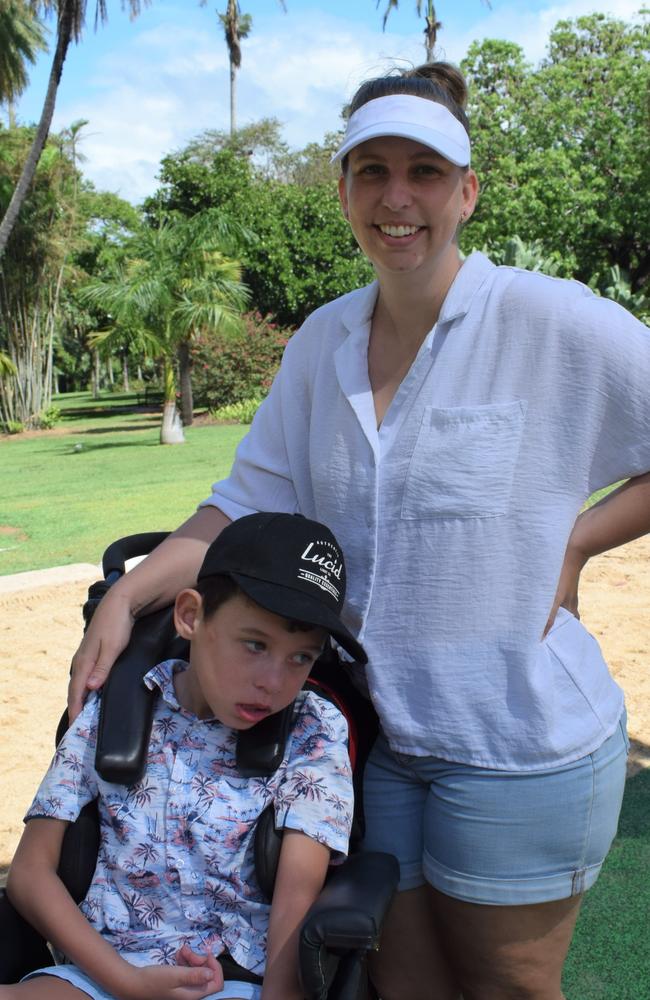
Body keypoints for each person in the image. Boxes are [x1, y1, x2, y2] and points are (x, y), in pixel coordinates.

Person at [66, 63, 650, 1000]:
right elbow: (235, 508)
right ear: (342, 190)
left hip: (517, 744)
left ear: (467, 190)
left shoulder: (546, 320)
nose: (397, 197)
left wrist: (578, 540)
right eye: (370, 171)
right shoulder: (321, 343)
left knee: (503, 991)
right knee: (398, 988)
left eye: (424, 171)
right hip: (384, 744)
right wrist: (127, 595)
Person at [3, 513, 363, 1000]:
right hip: (102, 973)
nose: (274, 682)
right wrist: (123, 980)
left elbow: (294, 907)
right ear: (191, 615)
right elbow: (28, 874)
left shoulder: (311, 731)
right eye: (255, 644)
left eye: (301, 657)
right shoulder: (116, 711)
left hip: (231, 978)